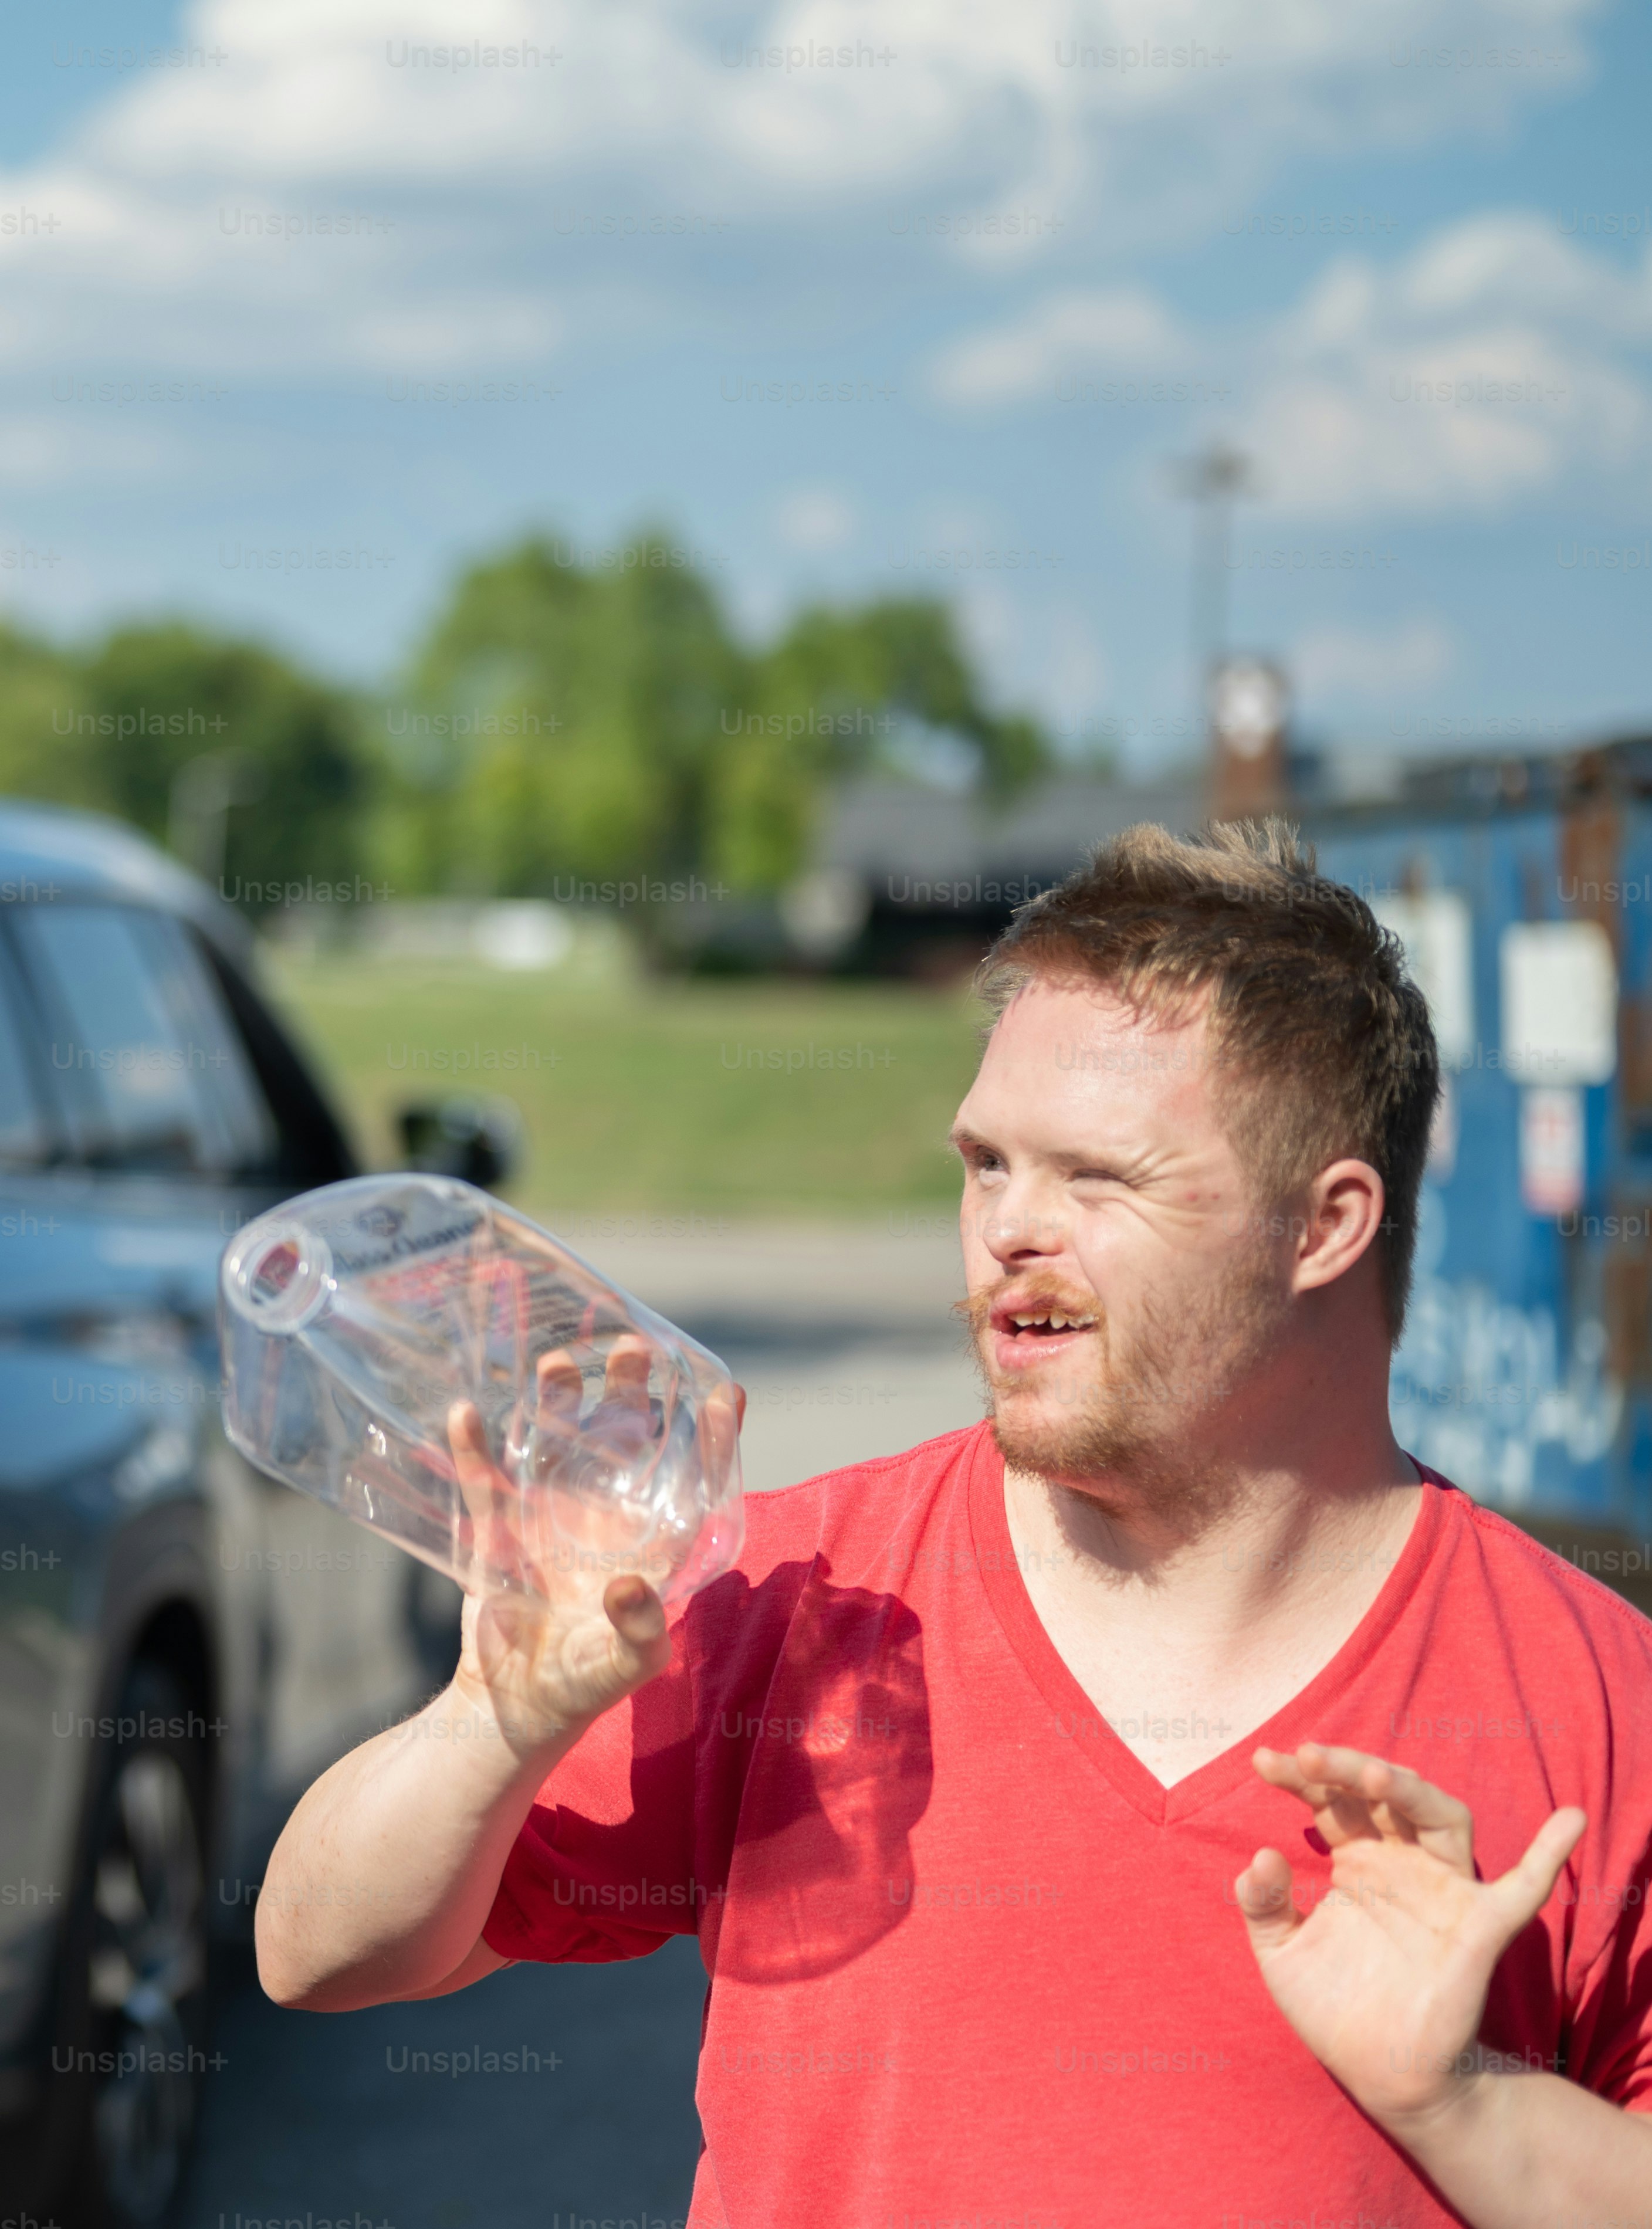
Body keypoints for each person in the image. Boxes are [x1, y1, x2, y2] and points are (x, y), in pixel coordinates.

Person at [255, 823, 1652, 2225]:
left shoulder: (1598, 1706)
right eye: (987, 1163)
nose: (1007, 1230)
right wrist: (491, 1722)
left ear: (1325, 1225)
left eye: (1096, 1176)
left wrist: (1469, 2102)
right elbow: (316, 1952)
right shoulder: (801, 1603)